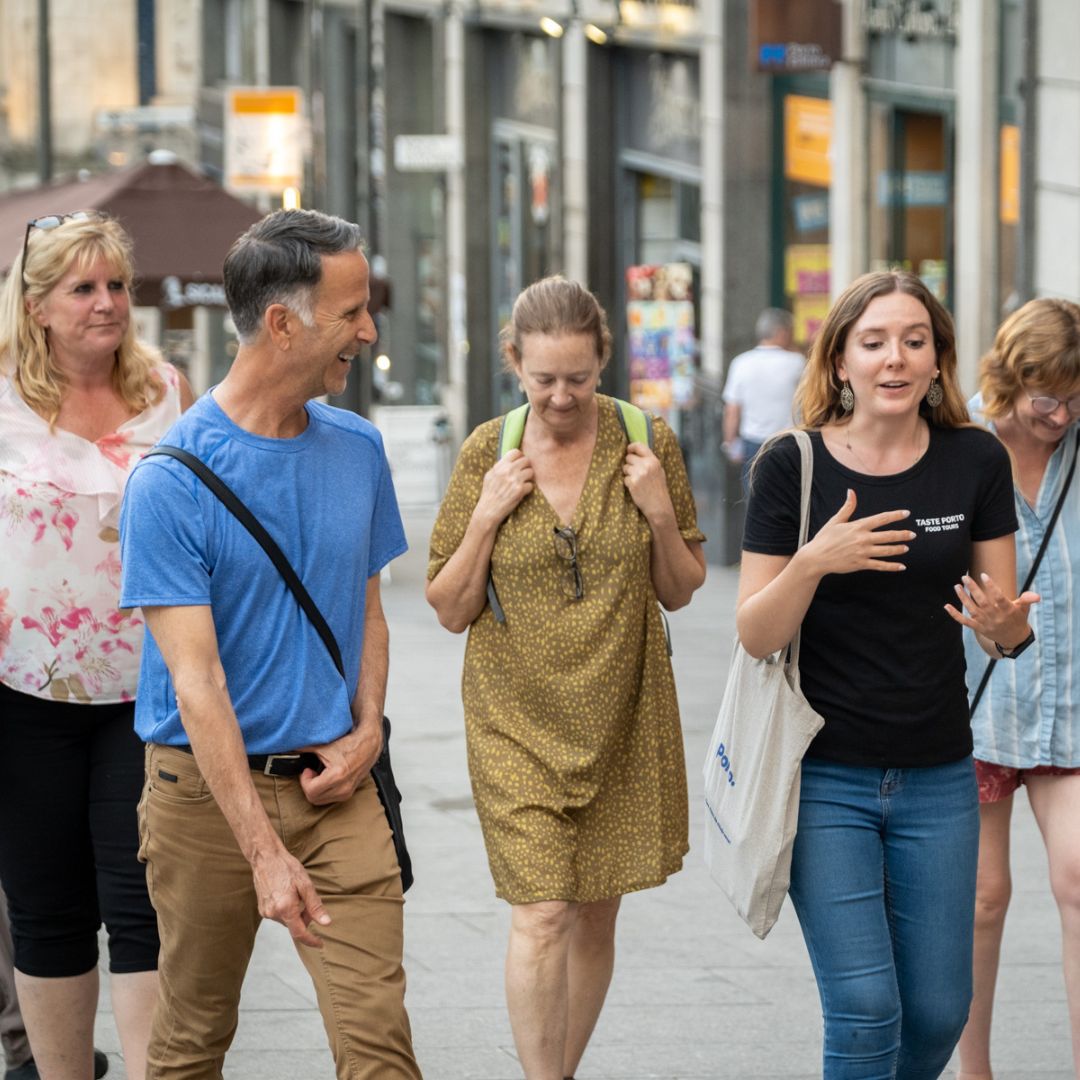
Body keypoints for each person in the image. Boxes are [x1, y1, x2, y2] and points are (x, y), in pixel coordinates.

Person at [118, 209, 420, 1080]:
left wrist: (369, 730)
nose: (368, 332)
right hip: (206, 799)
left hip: (337, 785)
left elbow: (367, 613)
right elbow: (198, 683)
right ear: (283, 323)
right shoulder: (169, 484)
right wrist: (261, 852)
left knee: (379, 1044)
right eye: (352, 312)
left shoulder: (358, 448)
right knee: (192, 1041)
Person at [736, 270, 1037, 1078]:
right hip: (824, 777)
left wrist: (1006, 629)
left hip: (939, 774)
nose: (894, 358)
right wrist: (814, 561)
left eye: (914, 341)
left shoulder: (976, 458)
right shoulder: (792, 464)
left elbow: (1003, 626)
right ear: (841, 361)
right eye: (873, 342)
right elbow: (755, 633)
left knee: (939, 1012)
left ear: (938, 360)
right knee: (866, 1007)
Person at [427, 275, 706, 1080]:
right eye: (543, 378)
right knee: (545, 911)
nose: (560, 397)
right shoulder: (488, 451)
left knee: (594, 915)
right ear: (514, 363)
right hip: (514, 720)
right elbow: (449, 606)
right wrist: (487, 515)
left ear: (603, 360)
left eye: (578, 378)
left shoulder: (646, 442)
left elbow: (681, 589)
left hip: (623, 714)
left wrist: (658, 510)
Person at [0, 211, 192, 1080]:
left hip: (145, 690)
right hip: (20, 693)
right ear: (37, 305)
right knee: (47, 910)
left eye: (116, 284)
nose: (107, 302)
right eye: (82, 288)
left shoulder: (166, 391)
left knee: (145, 903)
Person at [956, 298, 1080, 1080]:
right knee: (981, 899)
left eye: (1076, 399)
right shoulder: (958, 445)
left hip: (1071, 705)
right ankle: (975, 1072)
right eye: (1046, 399)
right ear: (1009, 377)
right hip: (976, 708)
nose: (1061, 416)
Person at [722, 306, 805, 492]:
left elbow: (732, 410)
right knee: (789, 498)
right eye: (791, 331)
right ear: (782, 332)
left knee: (754, 498)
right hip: (790, 442)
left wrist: (730, 443)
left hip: (752, 444)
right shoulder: (797, 363)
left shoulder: (741, 363)